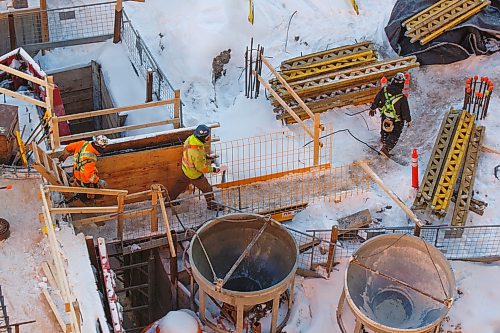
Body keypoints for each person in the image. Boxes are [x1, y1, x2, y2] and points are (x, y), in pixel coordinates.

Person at [169, 125, 226, 211]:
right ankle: (212, 205)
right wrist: (215, 169)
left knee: (179, 186)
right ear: (202, 137)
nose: (208, 138)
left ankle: (168, 201)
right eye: (207, 137)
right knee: (207, 189)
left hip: (185, 169)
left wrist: (207, 157)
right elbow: (201, 168)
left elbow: (194, 156)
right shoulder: (197, 152)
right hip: (195, 175)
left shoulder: (191, 139)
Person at [368, 72, 412, 157]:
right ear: (402, 84)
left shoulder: (384, 90)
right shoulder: (402, 97)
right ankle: (386, 148)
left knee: (385, 129)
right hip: (396, 120)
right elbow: (405, 111)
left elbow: (377, 99)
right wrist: (408, 120)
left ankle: (384, 140)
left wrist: (373, 107)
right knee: (395, 134)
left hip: (385, 116)